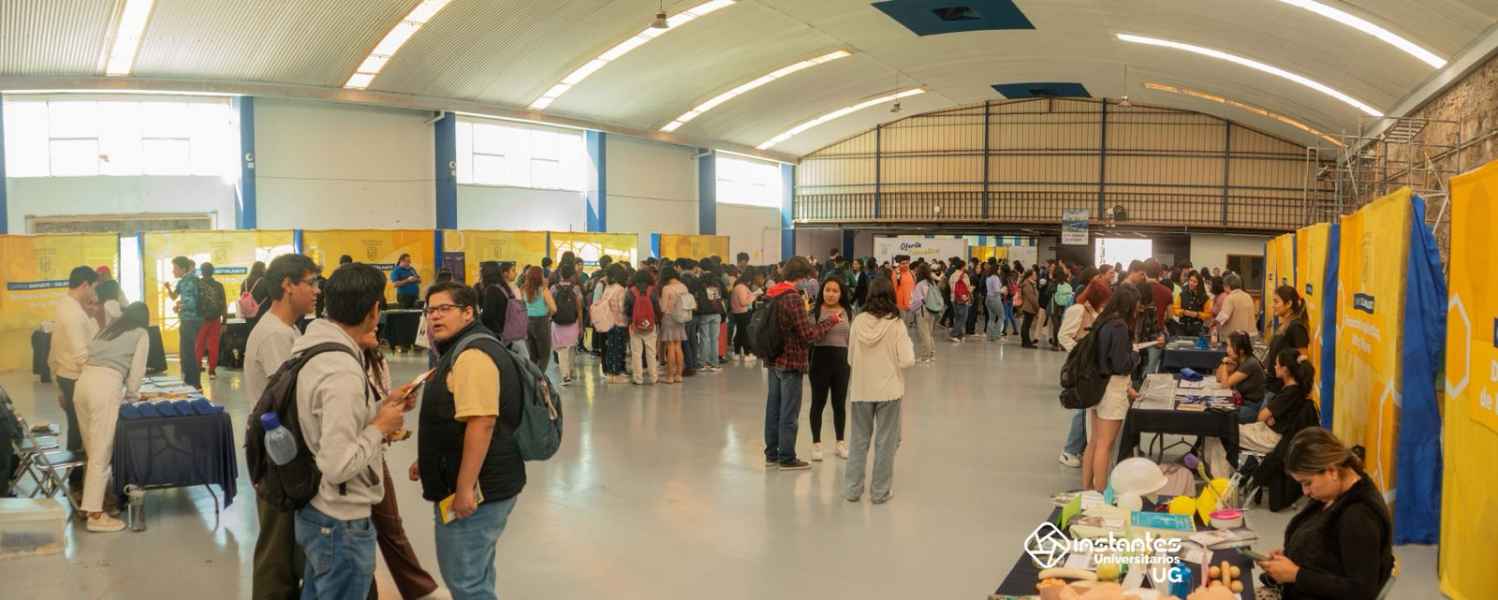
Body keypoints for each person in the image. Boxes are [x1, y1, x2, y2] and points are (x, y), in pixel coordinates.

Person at [291, 263, 411, 599]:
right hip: (340, 520)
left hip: (317, 508)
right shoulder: (342, 370)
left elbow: (329, 419)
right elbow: (337, 464)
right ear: (374, 309)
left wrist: (382, 406)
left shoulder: (315, 347)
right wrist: (379, 427)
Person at [415, 282, 528, 600]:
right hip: (485, 481)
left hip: (480, 490)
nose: (435, 316)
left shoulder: (472, 355)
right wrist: (427, 459)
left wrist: (465, 489)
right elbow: (455, 418)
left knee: (467, 582)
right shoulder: (460, 348)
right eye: (431, 310)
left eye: (444, 309)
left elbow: (482, 423)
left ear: (468, 312)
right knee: (476, 574)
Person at [246, 253, 321, 600]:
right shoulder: (275, 335)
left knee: (288, 548)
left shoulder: (288, 329)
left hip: (284, 451)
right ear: (288, 285)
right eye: (311, 283)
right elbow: (291, 401)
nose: (317, 291)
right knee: (276, 554)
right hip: (278, 456)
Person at [1254, 428, 1394, 600]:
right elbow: (1325, 551)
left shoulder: (1359, 516)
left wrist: (1296, 574)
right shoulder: (1333, 493)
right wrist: (1288, 560)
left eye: (1307, 483)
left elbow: (1361, 592)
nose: (1305, 492)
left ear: (1332, 471)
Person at [73, 302, 150, 533]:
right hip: (105, 387)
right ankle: (96, 515)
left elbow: (87, 355)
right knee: (101, 453)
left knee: (92, 450)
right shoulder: (141, 333)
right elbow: (137, 372)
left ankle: (91, 506)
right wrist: (133, 395)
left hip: (83, 384)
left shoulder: (109, 329)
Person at [763, 257, 842, 471]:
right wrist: (831, 321)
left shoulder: (772, 293)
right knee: (789, 412)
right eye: (806, 277)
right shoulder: (793, 298)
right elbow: (808, 335)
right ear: (800, 276)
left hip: (773, 359)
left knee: (773, 409)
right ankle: (787, 457)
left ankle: (772, 454)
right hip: (791, 362)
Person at [843, 277, 915, 503]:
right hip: (889, 391)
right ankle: (880, 492)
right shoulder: (896, 324)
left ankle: (852, 490)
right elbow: (907, 360)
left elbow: (850, 358)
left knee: (858, 440)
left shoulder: (858, 321)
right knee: (886, 442)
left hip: (862, 389)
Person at [1206, 348, 1319, 480]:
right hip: (1266, 430)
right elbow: (1268, 416)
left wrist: (1269, 418)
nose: (1274, 366)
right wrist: (1270, 418)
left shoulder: (1290, 392)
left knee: (1219, 432)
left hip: (1270, 438)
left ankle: (1220, 482)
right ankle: (1220, 477)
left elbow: (1261, 416)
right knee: (1218, 430)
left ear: (1285, 369)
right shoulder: (1292, 389)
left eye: (1277, 364)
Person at [1082, 285, 1141, 492]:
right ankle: (1100, 495)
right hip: (1113, 388)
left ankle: (1088, 490)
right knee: (1105, 445)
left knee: (1094, 442)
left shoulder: (1103, 321)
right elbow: (1120, 364)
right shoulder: (1120, 327)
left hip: (1096, 385)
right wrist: (1135, 354)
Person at [1057, 280, 1111, 469]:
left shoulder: (1092, 310)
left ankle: (1077, 449)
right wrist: (1080, 353)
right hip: (1081, 364)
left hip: (1090, 364)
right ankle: (1070, 450)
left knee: (1087, 407)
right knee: (1082, 407)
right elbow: (1063, 336)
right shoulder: (1078, 310)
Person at [807, 276, 852, 462]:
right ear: (822, 291)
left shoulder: (847, 311)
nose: (831, 294)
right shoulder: (815, 311)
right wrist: (829, 322)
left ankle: (840, 442)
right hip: (820, 360)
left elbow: (851, 337)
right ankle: (816, 444)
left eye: (835, 291)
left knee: (839, 404)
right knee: (818, 403)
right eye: (827, 290)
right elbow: (811, 336)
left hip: (842, 361)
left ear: (841, 293)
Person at [163, 256, 204, 388]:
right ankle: (193, 382)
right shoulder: (189, 280)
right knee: (190, 352)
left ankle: (192, 383)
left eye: (175, 268)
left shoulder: (187, 282)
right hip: (196, 320)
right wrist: (169, 290)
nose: (173, 271)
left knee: (188, 354)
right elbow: (176, 297)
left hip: (190, 321)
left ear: (183, 268)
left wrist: (179, 308)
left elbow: (190, 304)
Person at [1264, 285, 1312, 398]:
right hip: (1272, 386)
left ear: (1289, 303)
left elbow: (1303, 361)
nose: (1273, 305)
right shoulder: (1284, 325)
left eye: (1276, 302)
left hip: (1281, 391)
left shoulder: (1296, 327)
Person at [1217, 331, 1267, 424]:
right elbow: (1218, 378)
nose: (1228, 350)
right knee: (1216, 409)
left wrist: (1224, 364)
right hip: (1241, 402)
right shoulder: (1239, 360)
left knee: (1220, 416)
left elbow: (1225, 385)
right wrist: (1226, 364)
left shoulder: (1250, 363)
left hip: (1251, 407)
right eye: (1227, 346)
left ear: (1241, 350)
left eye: (1231, 346)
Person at [623, 269, 661, 385]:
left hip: (634, 325)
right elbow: (657, 307)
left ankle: (638, 378)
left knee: (636, 353)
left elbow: (626, 309)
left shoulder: (630, 291)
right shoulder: (653, 291)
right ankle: (654, 377)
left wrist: (631, 320)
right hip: (650, 325)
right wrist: (657, 320)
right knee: (651, 352)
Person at [550, 263, 584, 385]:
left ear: (560, 274)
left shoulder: (553, 288)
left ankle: (565, 376)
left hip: (558, 323)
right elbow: (579, 308)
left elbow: (551, 307)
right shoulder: (576, 289)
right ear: (572, 275)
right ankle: (571, 370)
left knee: (561, 349)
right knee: (571, 347)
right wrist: (581, 325)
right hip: (573, 322)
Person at [519, 266, 556, 371]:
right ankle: (540, 377)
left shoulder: (523, 289)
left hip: (528, 323)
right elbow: (554, 308)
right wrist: (548, 315)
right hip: (542, 322)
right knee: (544, 355)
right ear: (540, 277)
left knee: (533, 355)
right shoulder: (543, 290)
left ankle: (533, 376)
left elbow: (521, 306)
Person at [657, 266, 690, 384]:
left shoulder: (666, 288)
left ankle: (670, 376)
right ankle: (679, 375)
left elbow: (663, 307)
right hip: (681, 319)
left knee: (670, 346)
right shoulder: (684, 287)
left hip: (669, 318)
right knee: (678, 346)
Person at [196, 262, 228, 379]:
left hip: (200, 320)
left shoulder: (197, 285)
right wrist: (224, 321)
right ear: (213, 272)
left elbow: (194, 303)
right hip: (215, 319)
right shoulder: (219, 286)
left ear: (201, 272)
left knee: (199, 344)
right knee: (213, 345)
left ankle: (197, 367)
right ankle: (212, 371)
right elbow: (223, 304)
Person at [599, 264, 630, 384]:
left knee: (611, 349)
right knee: (618, 349)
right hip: (619, 323)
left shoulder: (608, 288)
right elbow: (622, 308)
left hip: (608, 323)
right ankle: (616, 375)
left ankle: (610, 374)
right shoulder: (620, 289)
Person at [696, 261, 727, 372]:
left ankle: (703, 363)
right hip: (717, 312)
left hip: (705, 313)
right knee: (715, 339)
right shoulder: (717, 281)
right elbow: (724, 295)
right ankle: (715, 363)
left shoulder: (700, 281)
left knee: (704, 338)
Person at [1214, 273, 1257, 340]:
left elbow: (1224, 317)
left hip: (1235, 337)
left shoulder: (1230, 298)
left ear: (1227, 286)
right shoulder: (1248, 296)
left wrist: (1214, 322)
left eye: (1224, 286)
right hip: (1250, 335)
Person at [910, 263, 938, 364]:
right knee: (929, 333)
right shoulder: (932, 282)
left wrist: (911, 307)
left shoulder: (920, 284)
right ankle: (932, 354)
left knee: (924, 334)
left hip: (922, 311)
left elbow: (918, 300)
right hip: (932, 310)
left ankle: (925, 356)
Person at [729, 267, 757, 363]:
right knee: (744, 334)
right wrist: (753, 297)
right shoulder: (741, 287)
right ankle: (747, 354)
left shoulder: (738, 286)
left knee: (740, 333)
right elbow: (743, 302)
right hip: (743, 313)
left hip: (738, 313)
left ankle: (737, 353)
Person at [1176, 270, 1211, 337]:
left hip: (1197, 328)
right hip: (1182, 327)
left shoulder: (1205, 297)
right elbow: (1175, 309)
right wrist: (1183, 312)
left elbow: (1208, 314)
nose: (1191, 283)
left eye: (1195, 282)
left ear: (1199, 283)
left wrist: (1197, 314)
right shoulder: (1182, 294)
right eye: (1190, 280)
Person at [946, 258, 973, 342]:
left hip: (954, 298)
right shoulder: (964, 275)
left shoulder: (952, 275)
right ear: (962, 267)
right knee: (963, 318)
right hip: (962, 299)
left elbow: (950, 286)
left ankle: (960, 335)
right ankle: (953, 334)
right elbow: (968, 287)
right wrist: (971, 291)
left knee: (958, 317)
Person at [892, 256, 915, 327]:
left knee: (907, 326)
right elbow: (893, 288)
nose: (905, 265)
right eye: (903, 263)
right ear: (899, 264)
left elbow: (914, 287)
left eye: (907, 263)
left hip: (910, 304)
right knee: (901, 326)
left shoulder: (911, 273)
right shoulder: (895, 274)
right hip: (900, 305)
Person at [1019, 269, 1040, 348]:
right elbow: (1032, 298)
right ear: (1030, 276)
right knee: (1026, 325)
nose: (1036, 276)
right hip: (1029, 307)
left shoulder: (1030, 283)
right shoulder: (1027, 284)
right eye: (1035, 275)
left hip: (1029, 307)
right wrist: (1037, 308)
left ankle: (1026, 341)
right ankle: (1026, 342)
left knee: (1026, 325)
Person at [984, 264, 1005, 341]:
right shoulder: (995, 278)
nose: (1000, 270)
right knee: (1001, 317)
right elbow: (996, 290)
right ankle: (996, 335)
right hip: (995, 299)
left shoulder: (988, 278)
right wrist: (1003, 290)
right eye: (999, 269)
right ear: (996, 270)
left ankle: (990, 336)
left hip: (988, 298)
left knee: (991, 318)